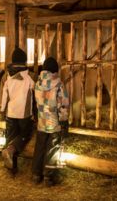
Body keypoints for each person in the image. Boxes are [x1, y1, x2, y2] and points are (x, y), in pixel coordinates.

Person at [32, 57, 69, 186]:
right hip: (54, 122)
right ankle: (48, 176)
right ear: (55, 70)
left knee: (40, 147)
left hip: (42, 120)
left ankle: (36, 175)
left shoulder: (37, 83)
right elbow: (63, 105)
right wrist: (64, 121)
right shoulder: (58, 84)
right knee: (52, 149)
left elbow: (36, 102)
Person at [0, 47, 35, 174]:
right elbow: (38, 94)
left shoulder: (5, 76)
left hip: (10, 112)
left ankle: (11, 170)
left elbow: (2, 95)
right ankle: (11, 150)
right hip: (24, 113)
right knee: (25, 134)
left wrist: (1, 112)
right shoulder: (30, 76)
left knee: (11, 136)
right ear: (24, 61)